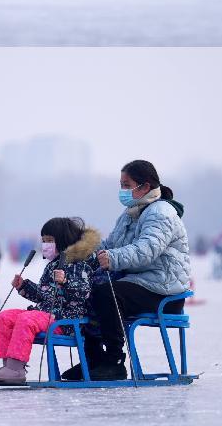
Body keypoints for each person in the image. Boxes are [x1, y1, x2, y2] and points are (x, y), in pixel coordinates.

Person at [72, 160, 191, 382]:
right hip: (140, 282)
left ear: (145, 187)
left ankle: (114, 362)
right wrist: (80, 251)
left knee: (107, 293)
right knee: (87, 291)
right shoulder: (130, 213)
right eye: (121, 185)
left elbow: (147, 250)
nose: (123, 191)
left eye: (127, 185)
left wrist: (113, 259)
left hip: (163, 290)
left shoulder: (161, 213)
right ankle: (94, 357)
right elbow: (111, 245)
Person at [0, 217, 99, 386]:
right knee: (6, 317)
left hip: (66, 321)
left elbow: (83, 294)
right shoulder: (51, 265)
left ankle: (16, 370)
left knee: (27, 319)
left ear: (62, 240)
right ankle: (9, 366)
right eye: (43, 240)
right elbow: (44, 295)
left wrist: (66, 282)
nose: (45, 244)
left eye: (50, 240)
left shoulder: (79, 265)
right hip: (47, 315)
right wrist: (24, 286)